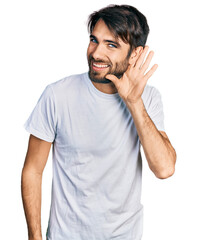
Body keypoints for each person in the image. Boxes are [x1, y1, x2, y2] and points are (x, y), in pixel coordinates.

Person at [21, 4, 176, 240]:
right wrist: (34, 236)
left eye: (111, 45)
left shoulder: (148, 98)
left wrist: (134, 102)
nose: (96, 53)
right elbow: (33, 170)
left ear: (135, 54)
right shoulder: (57, 95)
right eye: (94, 40)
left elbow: (164, 168)